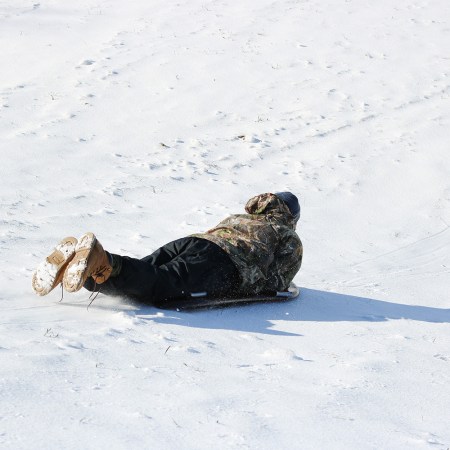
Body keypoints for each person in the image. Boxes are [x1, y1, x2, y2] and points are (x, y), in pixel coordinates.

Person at [32, 192, 303, 305]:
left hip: (194, 242)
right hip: (224, 261)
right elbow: (278, 280)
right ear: (291, 216)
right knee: (163, 286)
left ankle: (88, 272)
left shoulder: (241, 217)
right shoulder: (287, 235)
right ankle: (103, 261)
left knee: (145, 276)